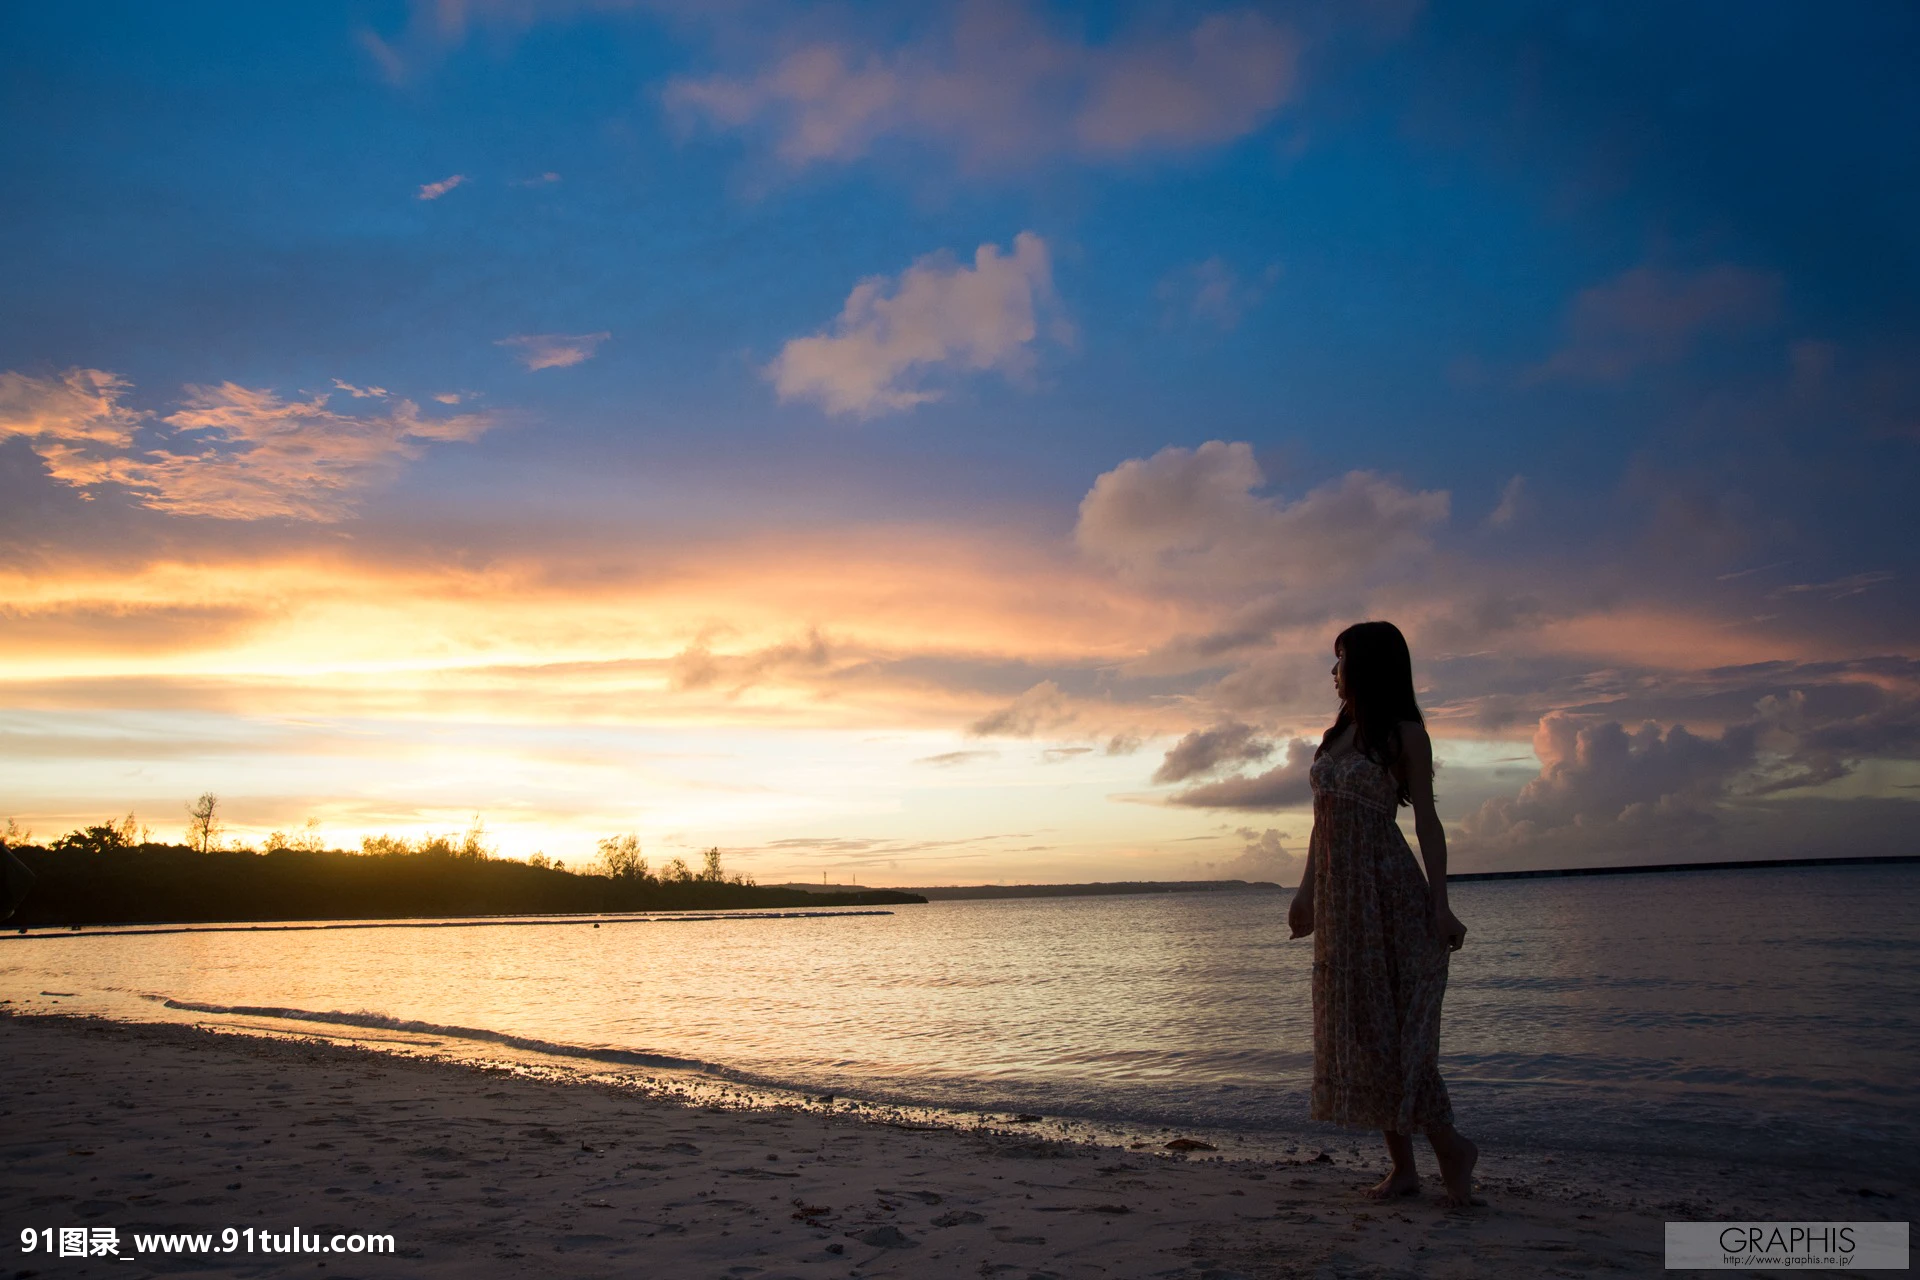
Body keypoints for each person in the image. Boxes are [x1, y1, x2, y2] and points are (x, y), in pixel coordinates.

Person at [1287, 620, 1481, 1207]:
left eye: (1340, 659)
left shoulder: (1404, 734)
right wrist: (1306, 894)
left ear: (1367, 666)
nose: (1333, 671)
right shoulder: (1337, 734)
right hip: (1344, 905)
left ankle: (1450, 1147)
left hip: (1388, 895)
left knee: (1401, 1036)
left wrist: (1441, 905)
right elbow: (1323, 826)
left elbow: (1427, 822)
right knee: (1365, 1036)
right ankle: (1404, 1169)